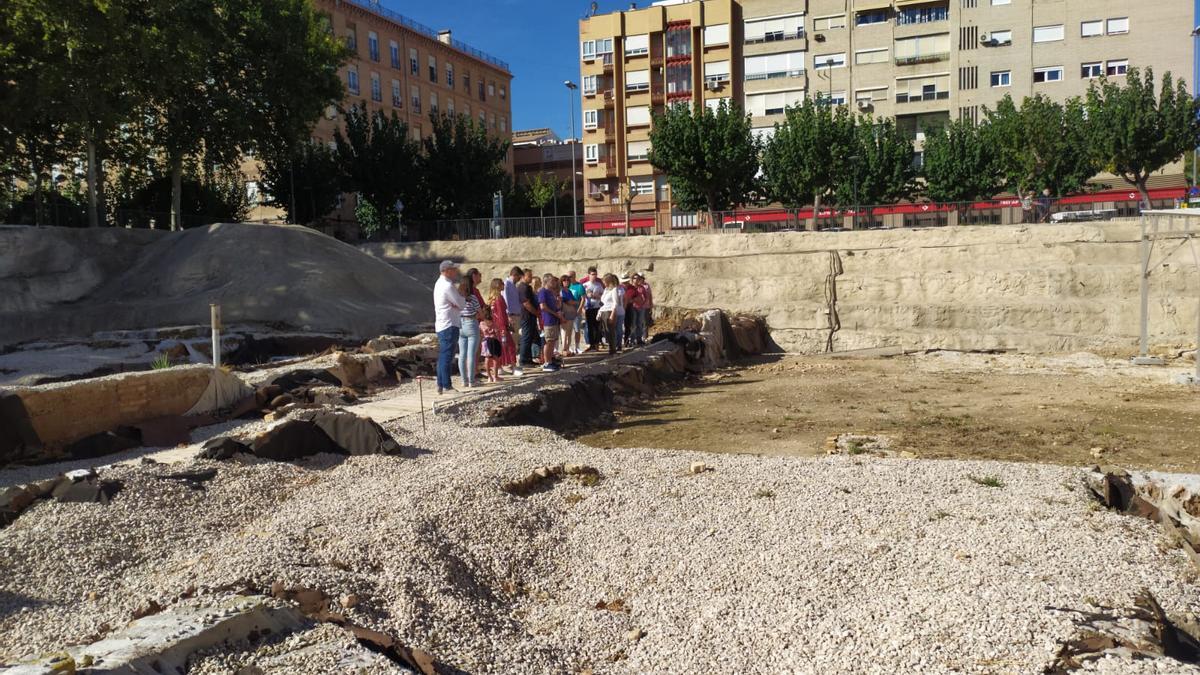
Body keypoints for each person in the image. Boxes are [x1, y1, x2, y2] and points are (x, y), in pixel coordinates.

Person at [433, 260, 464, 394]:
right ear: (447, 270)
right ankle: (446, 385)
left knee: (443, 355)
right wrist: (459, 302)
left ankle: (440, 384)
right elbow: (461, 303)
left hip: (442, 323)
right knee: (447, 355)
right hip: (449, 324)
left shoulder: (439, 284)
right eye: (453, 269)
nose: (455, 271)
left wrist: (457, 304)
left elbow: (457, 304)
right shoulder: (448, 286)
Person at [457, 275, 484, 388]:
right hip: (471, 323)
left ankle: (464, 380)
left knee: (462, 354)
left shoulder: (457, 297)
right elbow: (481, 313)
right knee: (471, 354)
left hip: (460, 325)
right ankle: (472, 381)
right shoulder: (472, 297)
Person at [538, 273, 564, 371]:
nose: (554, 283)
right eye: (552, 281)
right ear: (547, 281)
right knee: (549, 341)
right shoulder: (543, 292)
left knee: (552, 341)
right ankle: (547, 362)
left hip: (554, 320)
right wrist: (555, 314)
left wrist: (559, 302)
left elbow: (556, 306)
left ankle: (550, 360)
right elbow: (543, 306)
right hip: (548, 320)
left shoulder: (550, 292)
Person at [518, 268, 539, 368]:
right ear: (523, 276)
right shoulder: (523, 288)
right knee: (526, 338)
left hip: (531, 316)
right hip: (527, 316)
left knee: (530, 337)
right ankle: (523, 360)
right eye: (529, 276)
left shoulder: (527, 287)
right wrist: (537, 313)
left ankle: (529, 358)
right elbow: (526, 303)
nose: (531, 278)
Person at [503, 267, 523, 375]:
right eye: (518, 277)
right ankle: (509, 364)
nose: (519, 280)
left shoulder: (513, 286)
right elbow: (506, 301)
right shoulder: (506, 285)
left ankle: (512, 363)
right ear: (514, 275)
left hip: (516, 315)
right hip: (511, 316)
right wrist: (508, 315)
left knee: (515, 341)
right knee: (510, 341)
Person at [598, 274, 621, 356]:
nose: (603, 283)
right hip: (604, 311)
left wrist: (612, 314)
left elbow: (615, 303)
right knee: (606, 331)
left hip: (609, 311)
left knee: (611, 331)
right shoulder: (606, 290)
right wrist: (599, 312)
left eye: (604, 281)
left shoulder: (614, 290)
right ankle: (611, 349)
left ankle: (613, 349)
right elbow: (603, 303)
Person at [583, 266, 604, 352]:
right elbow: (582, 297)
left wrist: (597, 296)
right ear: (589, 275)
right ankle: (591, 344)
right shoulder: (585, 285)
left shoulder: (599, 285)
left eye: (595, 274)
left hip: (597, 307)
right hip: (588, 308)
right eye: (592, 274)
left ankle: (597, 344)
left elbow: (603, 295)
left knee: (597, 326)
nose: (594, 276)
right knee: (589, 326)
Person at [559, 274, 578, 356]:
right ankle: (564, 349)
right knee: (564, 332)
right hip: (564, 313)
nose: (566, 282)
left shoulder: (569, 291)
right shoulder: (561, 291)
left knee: (569, 332)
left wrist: (572, 302)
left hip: (571, 314)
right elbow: (568, 301)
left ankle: (568, 348)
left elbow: (574, 301)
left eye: (567, 280)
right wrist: (572, 302)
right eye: (564, 280)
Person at [568, 271, 586, 354]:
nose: (569, 278)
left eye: (570, 276)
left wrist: (580, 308)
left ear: (574, 276)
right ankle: (569, 346)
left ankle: (577, 346)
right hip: (568, 310)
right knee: (568, 329)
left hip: (576, 309)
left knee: (577, 329)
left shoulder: (579, 286)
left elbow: (583, 298)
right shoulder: (567, 286)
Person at [628, 274, 648, 347]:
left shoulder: (641, 288)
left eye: (638, 278)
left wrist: (642, 303)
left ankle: (639, 339)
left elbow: (646, 297)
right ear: (632, 279)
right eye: (635, 278)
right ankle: (632, 339)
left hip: (641, 307)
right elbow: (628, 298)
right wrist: (634, 300)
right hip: (633, 307)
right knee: (633, 323)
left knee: (639, 323)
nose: (636, 280)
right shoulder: (630, 288)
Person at [481, 317, 502, 383]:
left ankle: (489, 377)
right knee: (495, 359)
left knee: (487, 359)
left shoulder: (482, 323)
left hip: (485, 341)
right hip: (493, 341)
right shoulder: (494, 323)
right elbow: (497, 332)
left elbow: (481, 333)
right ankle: (495, 377)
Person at [614, 275, 628, 352]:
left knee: (619, 329)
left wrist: (624, 307)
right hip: (611, 311)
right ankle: (613, 344)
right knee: (613, 329)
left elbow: (625, 299)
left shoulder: (621, 289)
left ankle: (618, 345)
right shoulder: (609, 289)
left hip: (620, 311)